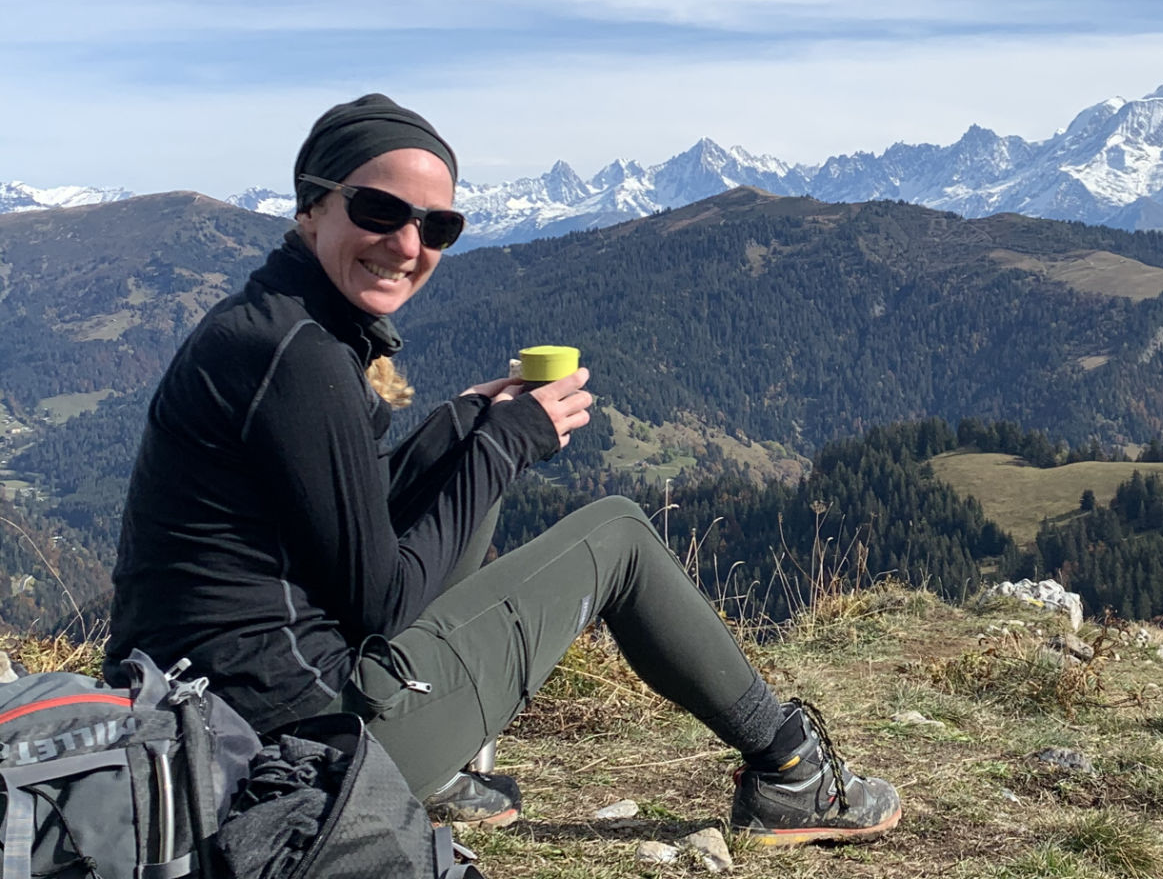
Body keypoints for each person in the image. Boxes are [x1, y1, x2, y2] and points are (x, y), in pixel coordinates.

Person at [104, 94, 901, 847]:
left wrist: (464, 425)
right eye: (378, 210)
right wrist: (503, 444)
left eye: (438, 226)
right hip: (304, 750)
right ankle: (792, 769)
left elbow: (341, 516)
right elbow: (380, 598)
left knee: (469, 467)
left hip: (205, 721)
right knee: (620, 534)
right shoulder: (302, 358)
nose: (408, 245)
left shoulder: (273, 325)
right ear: (311, 205)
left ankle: (441, 762)